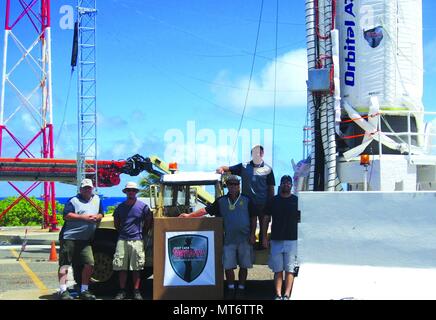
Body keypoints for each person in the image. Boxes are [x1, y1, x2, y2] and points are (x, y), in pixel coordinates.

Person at [180, 175, 257, 299]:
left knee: (244, 265)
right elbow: (205, 210)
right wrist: (189, 216)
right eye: (230, 185)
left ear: (239, 186)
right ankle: (231, 288)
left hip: (245, 239)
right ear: (227, 186)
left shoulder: (247, 200)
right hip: (228, 239)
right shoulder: (221, 201)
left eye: (235, 185)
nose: (233, 187)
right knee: (228, 265)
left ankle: (241, 289)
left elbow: (254, 217)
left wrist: (253, 234)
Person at [216, 145, 275, 248]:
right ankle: (247, 248)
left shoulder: (268, 169)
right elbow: (228, 168)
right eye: (255, 152)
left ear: (262, 154)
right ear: (252, 154)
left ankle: (262, 249)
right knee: (248, 228)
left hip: (263, 204)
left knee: (263, 227)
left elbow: (271, 188)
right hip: (247, 204)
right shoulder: (244, 166)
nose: (257, 154)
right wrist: (221, 168)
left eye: (259, 152)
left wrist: (271, 205)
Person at [58, 178, 104, 300]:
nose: (87, 190)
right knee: (65, 265)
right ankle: (63, 290)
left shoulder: (97, 199)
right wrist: (84, 218)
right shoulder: (73, 200)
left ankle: (84, 290)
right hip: (69, 237)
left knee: (89, 263)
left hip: (85, 240)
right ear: (80, 189)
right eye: (85, 188)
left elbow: (101, 213)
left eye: (89, 188)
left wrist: (97, 217)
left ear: (92, 188)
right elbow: (66, 215)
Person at [112, 182, 152, 300]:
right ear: (126, 192)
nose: (131, 192)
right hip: (122, 240)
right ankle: (122, 291)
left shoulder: (143, 207)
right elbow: (116, 223)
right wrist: (123, 232)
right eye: (129, 190)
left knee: (136, 268)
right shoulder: (120, 207)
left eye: (133, 190)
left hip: (137, 240)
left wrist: (142, 232)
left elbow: (148, 220)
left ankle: (136, 291)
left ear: (136, 192)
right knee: (121, 267)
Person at [262, 175, 299, 300]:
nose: (286, 185)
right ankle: (278, 294)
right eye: (284, 183)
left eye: (288, 183)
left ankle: (287, 295)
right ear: (280, 184)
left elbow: (302, 220)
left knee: (290, 269)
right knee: (278, 269)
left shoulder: (296, 201)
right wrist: (264, 237)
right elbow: (266, 219)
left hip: (292, 240)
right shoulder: (273, 200)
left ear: (291, 185)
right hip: (276, 240)